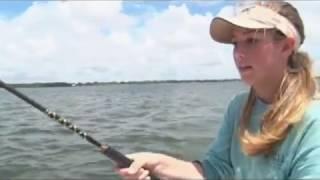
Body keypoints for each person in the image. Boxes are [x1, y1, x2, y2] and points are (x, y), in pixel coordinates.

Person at [115, 1, 320, 179]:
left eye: (251, 41)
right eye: (235, 43)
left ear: (286, 46)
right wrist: (154, 162)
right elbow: (216, 170)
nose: (238, 54)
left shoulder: (313, 121)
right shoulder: (238, 107)